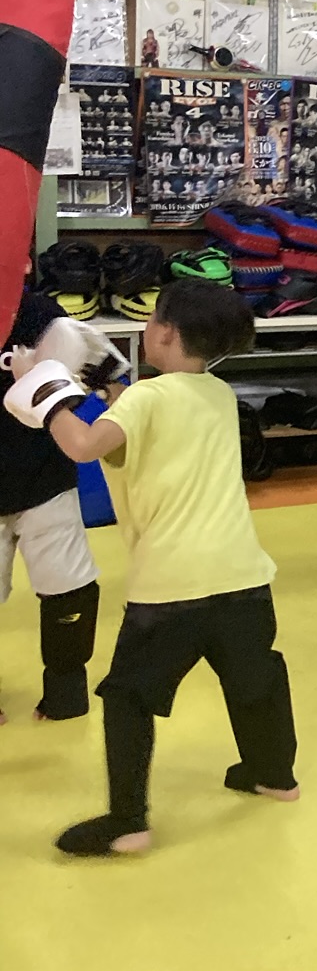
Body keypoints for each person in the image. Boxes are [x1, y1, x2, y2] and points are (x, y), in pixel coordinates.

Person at [5, 280, 299, 855]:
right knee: (255, 678)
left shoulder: (147, 400)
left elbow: (85, 446)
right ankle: (274, 775)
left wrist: (41, 386)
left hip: (172, 585)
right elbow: (139, 425)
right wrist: (107, 380)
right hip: (243, 576)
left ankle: (128, 821)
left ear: (163, 332)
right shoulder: (216, 394)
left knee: (128, 697)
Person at [0, 288, 102, 725]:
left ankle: (66, 691)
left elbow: (91, 364)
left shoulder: (39, 312)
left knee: (68, 589)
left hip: (44, 474)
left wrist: (110, 383)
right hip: (38, 469)